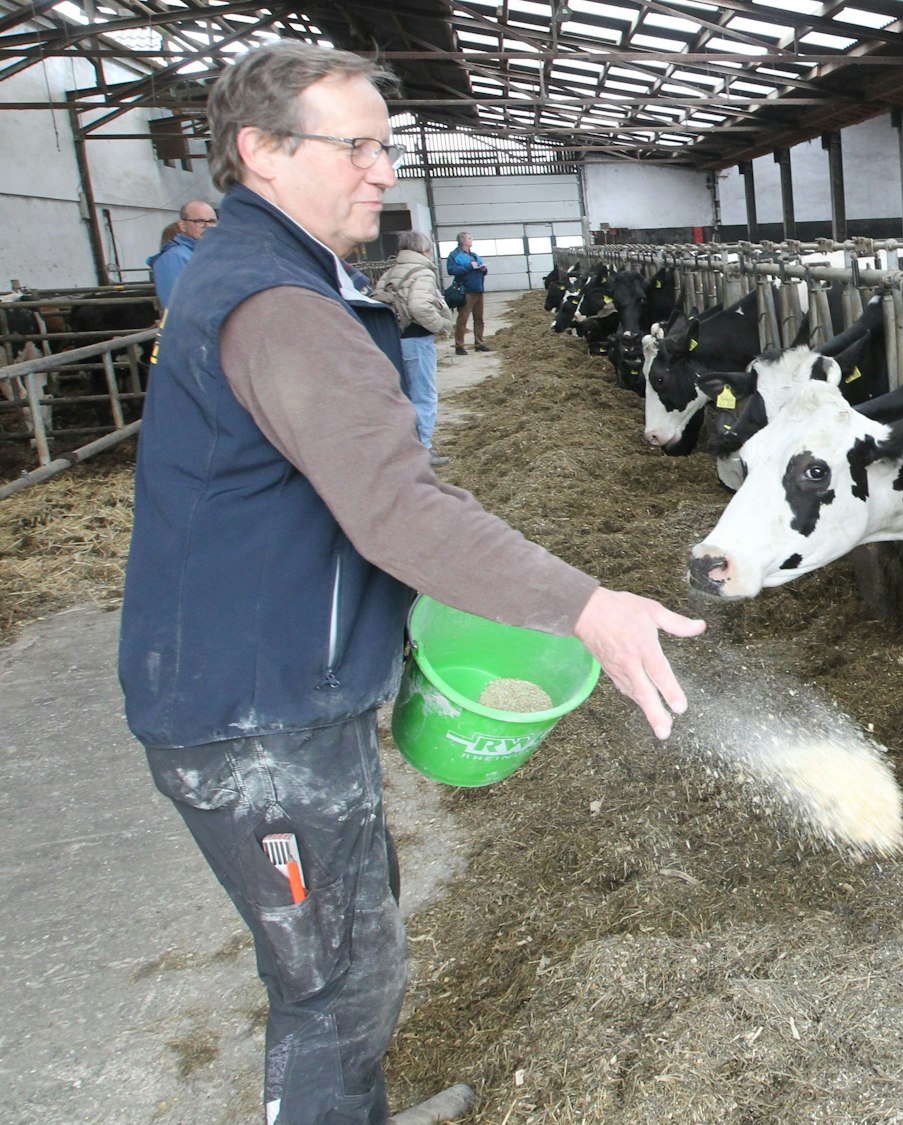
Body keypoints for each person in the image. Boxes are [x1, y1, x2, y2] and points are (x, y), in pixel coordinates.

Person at [118, 42, 705, 1125]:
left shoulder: (268, 279)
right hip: (254, 713)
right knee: (331, 982)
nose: (381, 169)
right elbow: (393, 506)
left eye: (386, 146)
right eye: (356, 147)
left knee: (353, 934)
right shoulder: (281, 306)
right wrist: (588, 605)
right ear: (260, 150)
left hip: (269, 683)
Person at [374, 230, 454, 466]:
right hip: (416, 339)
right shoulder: (422, 272)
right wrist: (441, 325)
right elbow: (420, 308)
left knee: (403, 395)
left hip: (392, 339)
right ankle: (422, 449)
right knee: (424, 395)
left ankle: (403, 446)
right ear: (423, 250)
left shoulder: (390, 272)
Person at [146, 199, 218, 306]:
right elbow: (178, 307)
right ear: (182, 225)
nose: (207, 226)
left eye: (212, 221)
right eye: (199, 221)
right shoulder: (174, 258)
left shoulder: (208, 255)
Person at [445, 231, 488, 355]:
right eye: (469, 238)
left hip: (478, 288)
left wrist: (483, 270)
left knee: (479, 319)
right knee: (463, 319)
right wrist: (469, 266)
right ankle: (459, 346)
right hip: (465, 290)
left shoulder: (474, 255)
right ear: (463, 241)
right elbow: (451, 270)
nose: (471, 240)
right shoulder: (455, 255)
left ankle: (479, 343)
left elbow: (480, 267)